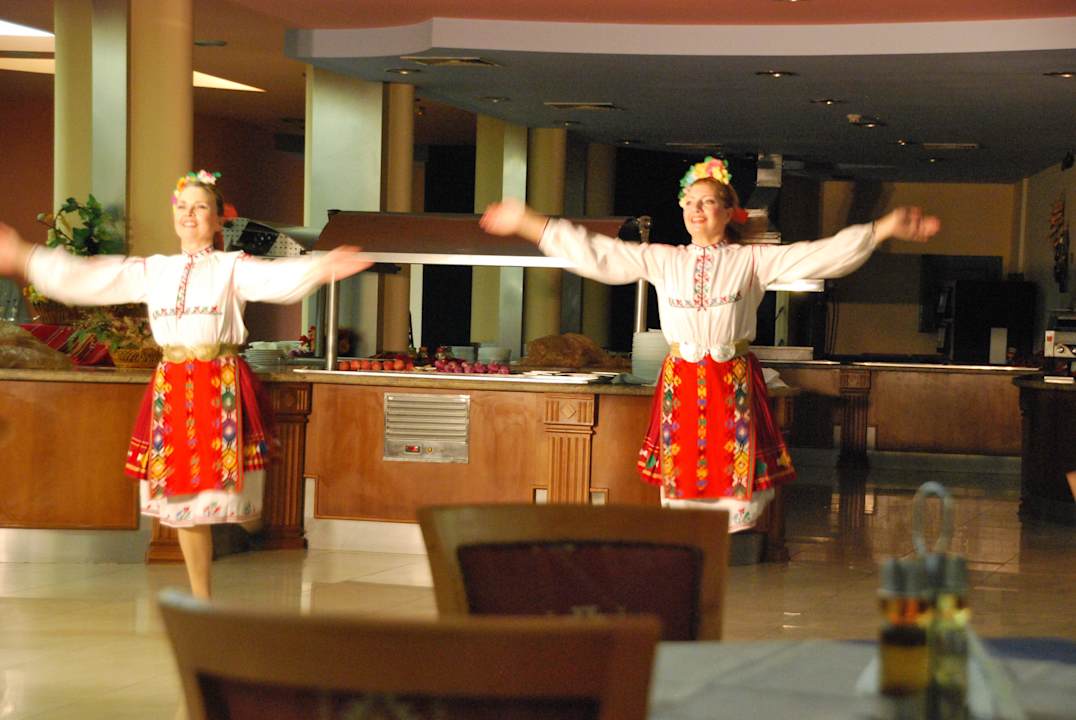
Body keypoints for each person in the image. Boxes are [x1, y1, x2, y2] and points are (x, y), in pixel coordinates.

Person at [480, 157, 940, 532]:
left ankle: (732, 550)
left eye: (707, 202)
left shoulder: (752, 260)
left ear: (729, 211)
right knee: (683, 483)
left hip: (730, 380)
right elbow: (599, 253)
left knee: (734, 482)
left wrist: (883, 227)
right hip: (682, 381)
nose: (695, 210)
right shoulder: (664, 259)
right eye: (689, 202)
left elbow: (818, 255)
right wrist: (528, 222)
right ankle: (691, 552)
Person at [0, 170, 371, 597]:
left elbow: (276, 279)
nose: (190, 215)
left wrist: (322, 267)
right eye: (183, 207)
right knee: (183, 503)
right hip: (173, 386)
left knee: (230, 498)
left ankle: (247, 525)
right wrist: (27, 257)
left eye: (201, 207)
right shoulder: (155, 270)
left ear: (218, 219)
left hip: (218, 384)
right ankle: (202, 597)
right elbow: (93, 277)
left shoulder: (232, 267)